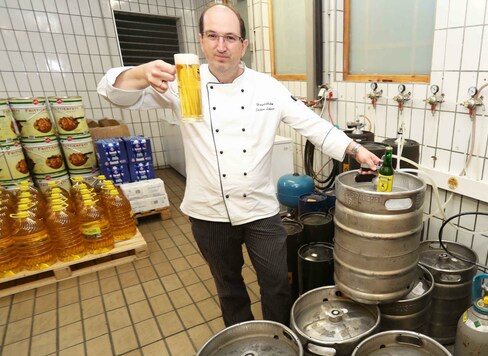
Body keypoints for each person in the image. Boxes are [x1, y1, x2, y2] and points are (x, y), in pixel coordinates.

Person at [97, 3, 380, 327]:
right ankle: (242, 343)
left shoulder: (267, 87)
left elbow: (313, 125)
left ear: (243, 45)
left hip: (260, 210)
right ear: (201, 41)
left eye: (230, 37)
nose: (221, 45)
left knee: (276, 285)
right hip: (208, 213)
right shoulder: (182, 83)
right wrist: (140, 73)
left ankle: (279, 342)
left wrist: (356, 151)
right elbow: (112, 93)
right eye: (213, 36)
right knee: (229, 289)